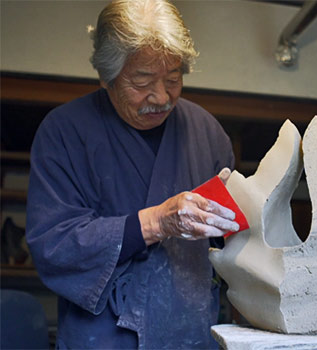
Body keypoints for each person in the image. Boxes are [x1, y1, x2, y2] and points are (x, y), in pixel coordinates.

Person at [26, 0, 239, 348]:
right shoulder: (64, 132)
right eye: (142, 81)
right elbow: (53, 244)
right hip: (103, 337)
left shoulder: (206, 132)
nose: (162, 96)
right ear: (106, 77)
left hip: (190, 332)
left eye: (173, 79)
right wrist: (155, 222)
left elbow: (230, 247)